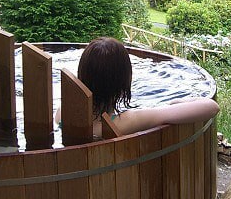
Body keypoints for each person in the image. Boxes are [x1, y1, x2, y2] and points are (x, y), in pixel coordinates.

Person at [56, 37, 219, 137]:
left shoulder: (63, 112)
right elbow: (211, 107)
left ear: (83, 73)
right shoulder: (124, 121)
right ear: (124, 80)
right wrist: (176, 102)